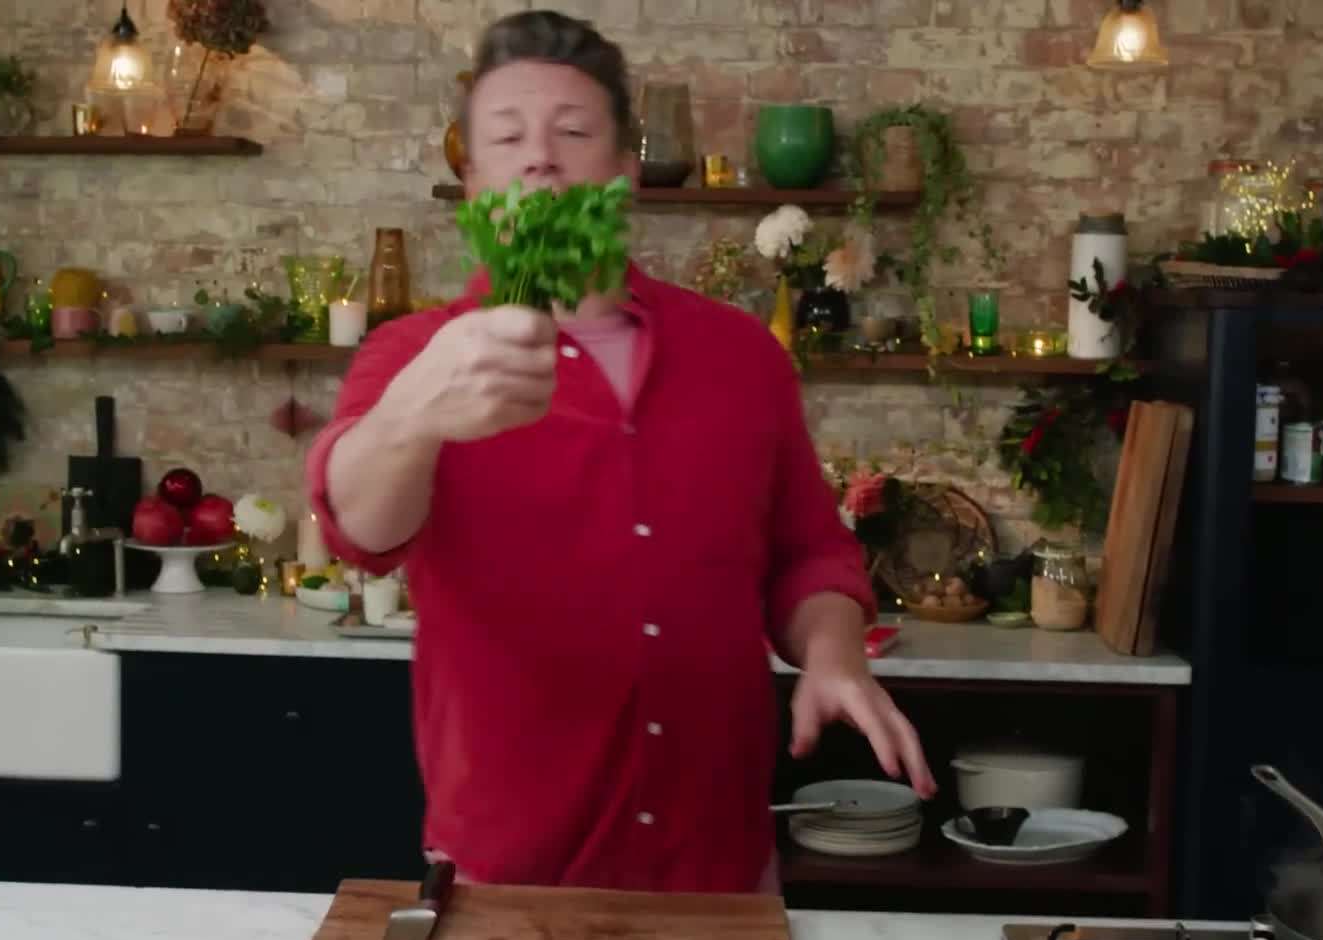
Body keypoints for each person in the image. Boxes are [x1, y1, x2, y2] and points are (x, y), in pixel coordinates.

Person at [303, 10, 935, 894]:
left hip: (719, 863)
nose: (540, 158)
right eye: (508, 137)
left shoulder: (741, 355)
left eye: (572, 132)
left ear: (625, 170)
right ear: (476, 178)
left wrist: (832, 654)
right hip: (507, 869)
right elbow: (359, 531)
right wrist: (413, 412)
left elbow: (808, 557)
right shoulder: (412, 356)